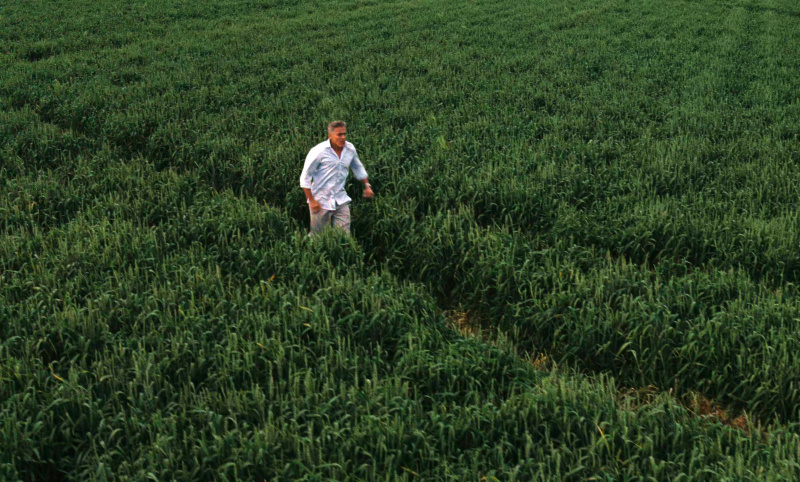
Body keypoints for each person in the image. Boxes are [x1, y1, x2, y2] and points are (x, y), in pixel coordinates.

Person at [299, 121, 374, 235]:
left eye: (344, 134)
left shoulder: (350, 149)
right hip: (320, 201)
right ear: (330, 136)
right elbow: (305, 177)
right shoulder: (319, 151)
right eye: (339, 135)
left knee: (343, 236)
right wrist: (312, 200)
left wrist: (367, 186)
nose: (343, 137)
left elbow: (358, 168)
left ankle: (342, 246)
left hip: (340, 199)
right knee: (318, 236)